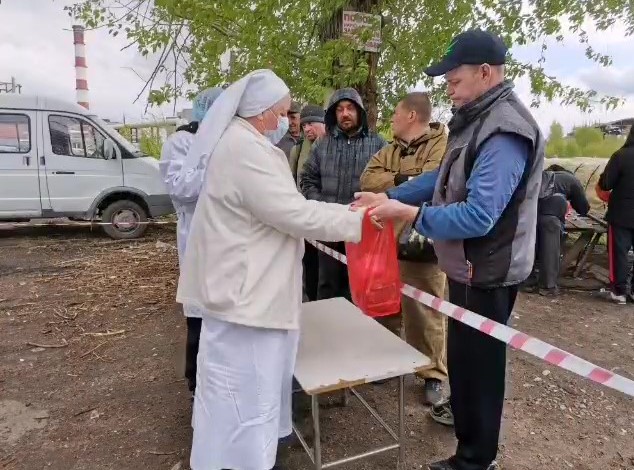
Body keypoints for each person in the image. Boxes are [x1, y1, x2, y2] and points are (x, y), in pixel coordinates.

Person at [355, 29, 544, 470]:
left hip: (489, 271)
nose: (448, 91)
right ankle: (469, 441)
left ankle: (477, 459)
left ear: (485, 73)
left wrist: (410, 215)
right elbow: (441, 180)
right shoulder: (475, 120)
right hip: (467, 268)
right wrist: (391, 197)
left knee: (479, 368)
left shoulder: (505, 131)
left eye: (454, 82)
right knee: (463, 361)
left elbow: (480, 215)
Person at [175, 69, 365, 470]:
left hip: (245, 291)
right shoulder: (246, 151)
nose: (287, 118)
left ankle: (239, 457)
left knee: (240, 393)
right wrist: (357, 220)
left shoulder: (244, 144)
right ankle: (244, 461)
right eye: (282, 110)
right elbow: (292, 212)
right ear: (262, 112)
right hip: (247, 300)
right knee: (246, 392)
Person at [360, 91, 448, 405]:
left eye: (396, 113)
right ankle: (388, 361)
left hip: (423, 242)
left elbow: (437, 183)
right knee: (387, 305)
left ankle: (432, 374)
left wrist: (396, 187)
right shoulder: (390, 149)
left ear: (412, 115)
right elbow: (368, 178)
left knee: (426, 311)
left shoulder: (442, 145)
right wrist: (403, 180)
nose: (392, 119)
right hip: (387, 241)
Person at [158, 87, 223, 396]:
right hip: (197, 239)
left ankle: (222, 381)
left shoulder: (227, 139)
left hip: (227, 241)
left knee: (225, 318)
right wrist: (217, 169)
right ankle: (196, 383)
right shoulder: (180, 141)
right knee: (199, 316)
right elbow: (182, 189)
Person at [301, 88, 387, 300]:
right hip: (329, 228)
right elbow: (307, 179)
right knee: (326, 286)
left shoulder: (378, 144)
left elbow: (388, 183)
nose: (345, 114)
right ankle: (326, 332)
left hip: (361, 228)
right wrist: (323, 206)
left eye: (349, 108)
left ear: (359, 111)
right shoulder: (323, 144)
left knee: (358, 289)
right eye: (339, 109)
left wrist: (368, 212)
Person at [525, 168, 590, 296]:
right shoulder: (572, 180)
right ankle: (547, 287)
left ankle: (527, 282)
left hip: (529, 215)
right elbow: (583, 207)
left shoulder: (543, 176)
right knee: (550, 251)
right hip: (550, 219)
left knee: (529, 248)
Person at [288, 104, 327, 302]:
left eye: (311, 124)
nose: (307, 129)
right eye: (304, 125)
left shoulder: (334, 146)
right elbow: (291, 182)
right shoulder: (297, 151)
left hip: (328, 216)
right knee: (309, 267)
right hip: (306, 218)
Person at [598, 126, 634, 304]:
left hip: (621, 214)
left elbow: (605, 184)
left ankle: (619, 292)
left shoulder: (620, 156)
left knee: (618, 253)